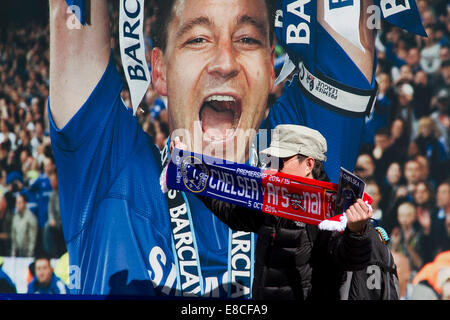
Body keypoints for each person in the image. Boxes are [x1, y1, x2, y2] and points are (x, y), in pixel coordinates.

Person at [47, 0, 400, 296]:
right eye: (198, 39)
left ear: (268, 65)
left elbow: (346, 19)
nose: (225, 63)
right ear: (160, 71)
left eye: (247, 39)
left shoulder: (302, 160)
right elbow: (75, 26)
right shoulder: (111, 168)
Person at [172, 124, 374, 300]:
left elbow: (350, 261)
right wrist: (189, 169)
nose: (271, 169)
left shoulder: (332, 209)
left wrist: (356, 232)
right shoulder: (270, 195)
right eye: (270, 162)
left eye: (279, 162)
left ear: (308, 164)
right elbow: (232, 213)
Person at [10, 193, 37, 257]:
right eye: (16, 203)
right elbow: (13, 237)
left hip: (28, 253)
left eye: (20, 203)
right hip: (18, 252)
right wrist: (13, 254)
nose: (17, 205)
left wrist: (30, 255)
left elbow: (32, 239)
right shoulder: (15, 217)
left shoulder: (31, 218)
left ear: (25, 203)